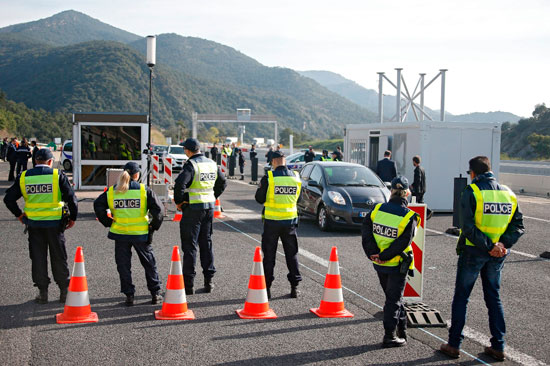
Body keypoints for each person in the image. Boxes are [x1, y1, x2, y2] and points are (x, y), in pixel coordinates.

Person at [440, 156, 524, 362]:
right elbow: (519, 226)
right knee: (493, 298)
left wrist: (489, 246)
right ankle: (498, 346)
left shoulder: (473, 191)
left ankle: (453, 345)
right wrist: (502, 244)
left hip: (474, 252)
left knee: (462, 297)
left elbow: (468, 228)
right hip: (498, 256)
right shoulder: (509, 194)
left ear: (473, 173)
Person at [3, 148, 78, 304]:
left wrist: (19, 215)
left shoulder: (24, 177)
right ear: (50, 162)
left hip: (34, 225)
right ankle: (64, 291)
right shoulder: (57, 175)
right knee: (58, 256)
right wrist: (72, 217)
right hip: (55, 224)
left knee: (38, 257)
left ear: (35, 161)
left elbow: (9, 199)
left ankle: (42, 293)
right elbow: (71, 198)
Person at [93, 162, 164, 306]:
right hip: (140, 234)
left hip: (120, 234)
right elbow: (159, 211)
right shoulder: (144, 190)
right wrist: (152, 227)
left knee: (124, 266)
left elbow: (98, 204)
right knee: (149, 264)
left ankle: (129, 295)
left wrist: (108, 222)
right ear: (137, 175)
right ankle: (155, 294)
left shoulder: (113, 191)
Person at [362, 176, 419, 348]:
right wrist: (385, 255)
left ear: (391, 190)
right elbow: (403, 243)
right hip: (396, 264)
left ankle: (402, 329)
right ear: (407, 193)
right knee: (393, 300)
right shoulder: (409, 216)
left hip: (379, 263)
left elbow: (366, 233)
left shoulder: (377, 209)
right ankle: (389, 336)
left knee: (393, 297)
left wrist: (374, 253)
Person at [174, 138, 227, 295]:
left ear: (188, 151)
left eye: (184, 149)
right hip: (209, 208)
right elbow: (223, 182)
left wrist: (180, 202)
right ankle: (208, 281)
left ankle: (188, 285)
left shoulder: (191, 165)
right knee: (206, 243)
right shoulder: (211, 163)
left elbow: (179, 185)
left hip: (193, 209)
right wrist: (212, 196)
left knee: (190, 245)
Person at [255, 150, 302, 299]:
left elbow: (259, 199)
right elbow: (298, 200)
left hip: (272, 222)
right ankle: (294, 287)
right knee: (292, 254)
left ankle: (267, 288)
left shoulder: (269, 178)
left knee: (269, 256)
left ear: (274, 161)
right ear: (284, 160)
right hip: (290, 222)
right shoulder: (296, 177)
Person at [410, 155, 433, 219]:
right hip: (423, 189)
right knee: (420, 202)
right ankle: (428, 212)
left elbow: (418, 180)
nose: (413, 163)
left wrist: (413, 187)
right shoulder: (422, 168)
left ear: (414, 161)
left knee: (412, 203)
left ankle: (411, 217)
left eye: (413, 162)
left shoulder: (417, 169)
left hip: (418, 190)